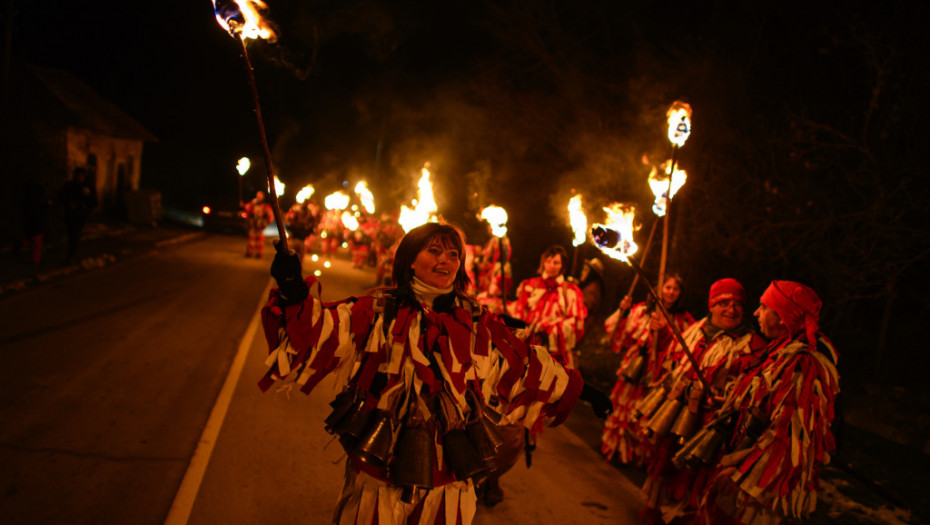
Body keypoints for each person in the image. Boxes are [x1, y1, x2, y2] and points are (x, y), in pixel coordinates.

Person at [261, 221, 612, 525]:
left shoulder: (478, 322)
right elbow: (320, 332)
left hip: (450, 480)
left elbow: (526, 362)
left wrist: (586, 391)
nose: (445, 260)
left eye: (453, 255)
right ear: (410, 259)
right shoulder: (377, 310)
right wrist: (293, 289)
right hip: (378, 475)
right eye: (434, 251)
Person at [695, 280, 840, 524]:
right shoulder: (780, 351)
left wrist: (745, 472)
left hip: (757, 489)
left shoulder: (802, 365)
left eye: (763, 307)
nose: (755, 312)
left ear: (783, 317)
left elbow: (786, 437)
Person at [638, 278, 766, 524]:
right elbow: (667, 364)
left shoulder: (752, 348)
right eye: (724, 303)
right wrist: (661, 334)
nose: (731, 310)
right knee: (666, 466)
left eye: (737, 304)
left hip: (713, 431)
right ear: (711, 305)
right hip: (679, 419)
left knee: (698, 481)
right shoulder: (692, 332)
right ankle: (656, 512)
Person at [600, 274, 694, 466]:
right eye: (667, 287)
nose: (670, 292)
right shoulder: (642, 311)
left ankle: (638, 454)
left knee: (645, 409)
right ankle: (616, 448)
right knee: (624, 406)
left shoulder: (683, 320)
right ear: (659, 289)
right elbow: (622, 335)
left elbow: (683, 347)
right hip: (635, 368)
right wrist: (623, 312)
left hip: (659, 373)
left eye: (675, 289)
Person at [509, 245, 588, 369]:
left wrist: (552, 329)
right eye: (548, 261)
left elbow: (576, 325)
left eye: (556, 263)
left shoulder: (571, 291)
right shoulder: (531, 285)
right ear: (543, 263)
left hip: (556, 352)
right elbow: (519, 313)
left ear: (562, 266)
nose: (551, 266)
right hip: (527, 346)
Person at [57, 167, 98, 263]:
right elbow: (60, 196)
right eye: (77, 176)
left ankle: (71, 255)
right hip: (70, 214)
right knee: (71, 234)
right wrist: (69, 203)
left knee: (75, 234)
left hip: (81, 215)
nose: (79, 178)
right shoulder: (69, 186)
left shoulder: (88, 187)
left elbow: (94, 201)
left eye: (81, 176)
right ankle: (71, 252)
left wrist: (85, 205)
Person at [243, 191, 274, 258]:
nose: (258, 197)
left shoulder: (265, 206)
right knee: (251, 240)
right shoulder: (253, 204)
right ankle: (249, 253)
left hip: (261, 226)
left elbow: (270, 215)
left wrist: (266, 223)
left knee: (260, 241)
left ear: (263, 197)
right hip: (253, 225)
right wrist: (249, 204)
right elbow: (247, 209)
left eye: (260, 196)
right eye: (258, 196)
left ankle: (259, 254)